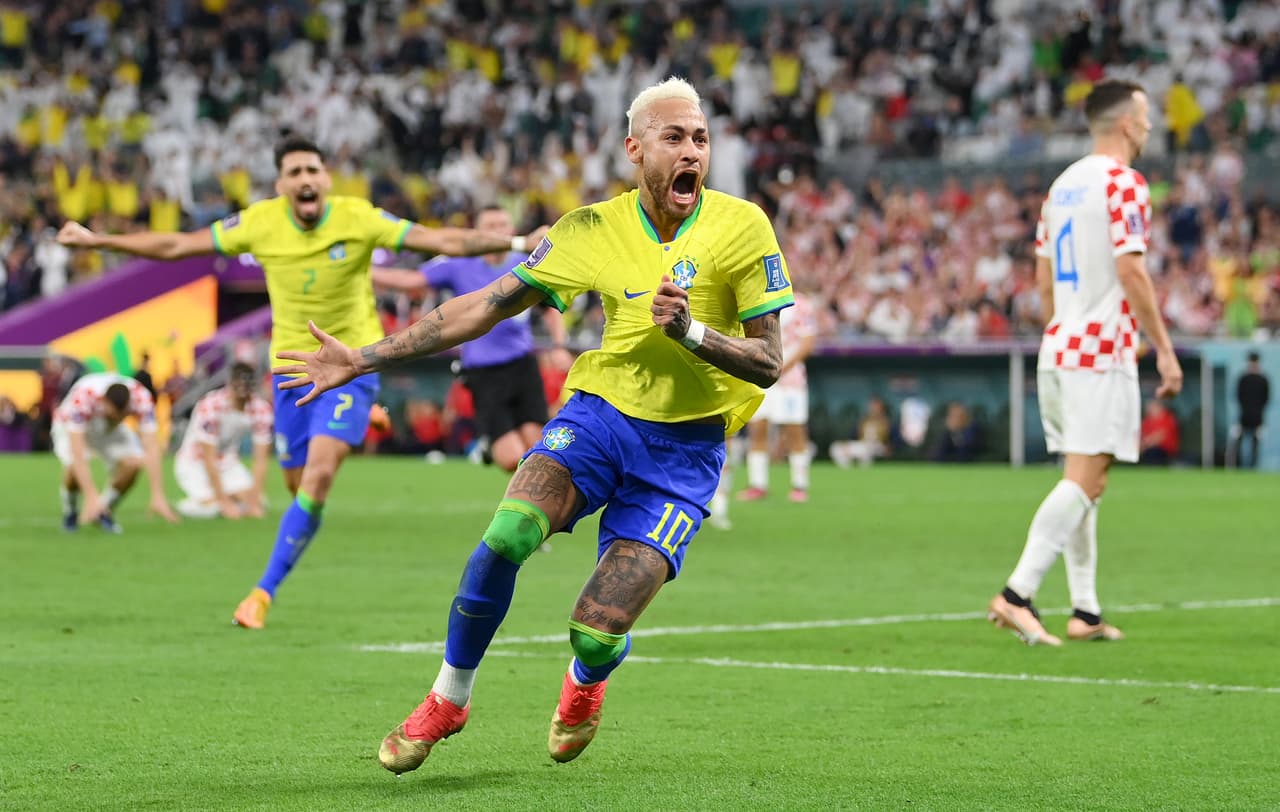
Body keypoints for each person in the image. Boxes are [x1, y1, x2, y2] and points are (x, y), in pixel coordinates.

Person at [272, 77, 791, 772]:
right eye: (674, 137)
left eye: (700, 137)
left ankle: (586, 681)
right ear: (635, 149)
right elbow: (482, 305)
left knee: (595, 632)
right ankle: (448, 697)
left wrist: (691, 331)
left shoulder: (743, 225)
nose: (692, 150)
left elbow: (768, 361)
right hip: (601, 417)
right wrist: (363, 358)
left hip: (684, 450)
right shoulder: (591, 229)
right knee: (508, 532)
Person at [57, 134, 547, 630]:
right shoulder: (260, 222)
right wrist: (100, 241)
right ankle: (362, 424)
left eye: (313, 170)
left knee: (318, 477)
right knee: (296, 485)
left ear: (326, 178)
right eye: (295, 172)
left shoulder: (358, 217)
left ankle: (261, 593)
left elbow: (443, 241)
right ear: (281, 185)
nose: (305, 179)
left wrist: (516, 244)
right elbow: (178, 245)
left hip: (350, 366)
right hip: (291, 371)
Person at [988, 79, 1183, 646]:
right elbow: (1131, 270)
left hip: (1060, 346)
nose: (1149, 125)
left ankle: (1085, 610)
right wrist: (1164, 349)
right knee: (1086, 477)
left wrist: (1063, 330)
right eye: (1144, 115)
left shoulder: (1062, 187)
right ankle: (1017, 594)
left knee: (1085, 480)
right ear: (1126, 123)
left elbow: (1044, 278)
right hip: (1099, 352)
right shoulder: (1124, 182)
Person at [372, 205, 574, 472]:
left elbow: (550, 309)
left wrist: (558, 345)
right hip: (484, 373)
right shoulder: (458, 265)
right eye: (490, 226)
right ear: (477, 233)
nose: (498, 231)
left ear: (512, 229)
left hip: (522, 367)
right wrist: (365, 272)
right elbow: (411, 280)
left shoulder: (526, 264)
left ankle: (524, 491)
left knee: (538, 452)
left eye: (502, 225)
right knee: (511, 458)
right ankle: (489, 445)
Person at [52, 372, 178, 532]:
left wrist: (158, 494)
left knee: (133, 464)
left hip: (111, 430)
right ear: (103, 401)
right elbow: (77, 452)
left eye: (122, 415)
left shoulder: (141, 398)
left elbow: (151, 446)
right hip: (69, 426)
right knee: (73, 468)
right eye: (113, 414)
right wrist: (90, 495)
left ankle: (102, 511)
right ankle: (71, 512)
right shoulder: (83, 398)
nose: (117, 418)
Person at [736, 290, 818, 503]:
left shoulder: (801, 304)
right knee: (757, 428)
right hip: (761, 375)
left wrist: (782, 368)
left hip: (790, 381)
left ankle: (800, 486)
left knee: (794, 430)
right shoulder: (757, 298)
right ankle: (758, 484)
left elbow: (807, 342)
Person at [173, 362, 273, 519]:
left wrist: (253, 502)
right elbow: (208, 457)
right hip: (195, 462)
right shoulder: (211, 405)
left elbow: (260, 459)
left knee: (259, 500)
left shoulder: (261, 409)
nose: (243, 392)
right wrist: (224, 502)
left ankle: (228, 497)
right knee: (215, 509)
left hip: (227, 462)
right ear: (230, 384)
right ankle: (191, 504)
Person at [1228, 351, 1269, 468]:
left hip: (1257, 417)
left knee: (1255, 443)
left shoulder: (1263, 380)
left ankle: (1252, 465)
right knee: (1239, 441)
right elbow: (1239, 396)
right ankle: (1238, 464)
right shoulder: (1244, 379)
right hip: (1244, 416)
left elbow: (1265, 398)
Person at [1138, 400, 1180, 465]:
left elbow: (1159, 437)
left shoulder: (1168, 418)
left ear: (1160, 407)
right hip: (1147, 449)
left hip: (1165, 450)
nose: (1149, 409)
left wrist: (1143, 446)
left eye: (1152, 407)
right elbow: (1141, 435)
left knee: (1153, 452)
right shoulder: (1147, 420)